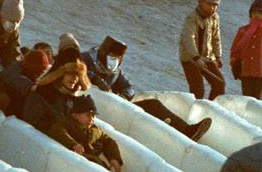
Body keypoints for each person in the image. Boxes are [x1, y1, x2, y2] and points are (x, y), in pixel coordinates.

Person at [84, 35, 212, 142]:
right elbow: (72, 67)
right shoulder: (86, 59)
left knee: (152, 104)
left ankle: (187, 130)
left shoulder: (115, 72)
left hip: (113, 107)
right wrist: (94, 79)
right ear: (104, 52)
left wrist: (124, 96)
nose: (115, 60)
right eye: (112, 56)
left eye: (118, 58)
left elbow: (128, 87)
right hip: (89, 106)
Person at [49, 94, 123, 172]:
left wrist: (114, 158)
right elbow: (58, 130)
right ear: (75, 115)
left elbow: (107, 140)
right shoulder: (68, 123)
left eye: (93, 115)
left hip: (96, 164)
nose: (91, 119)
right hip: (80, 165)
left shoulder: (94, 130)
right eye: (88, 115)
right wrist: (73, 144)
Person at [179, 0, 226, 100]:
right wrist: (195, 58)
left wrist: (218, 56)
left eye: (215, 5)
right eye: (209, 4)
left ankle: (211, 109)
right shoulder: (191, 18)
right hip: (190, 58)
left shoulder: (215, 18)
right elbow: (188, 39)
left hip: (207, 57)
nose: (212, 8)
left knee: (219, 84)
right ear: (201, 2)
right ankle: (195, 114)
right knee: (198, 89)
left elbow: (216, 38)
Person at [21, 59, 89, 133]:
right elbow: (31, 120)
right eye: (70, 74)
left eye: (77, 75)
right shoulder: (42, 92)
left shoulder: (70, 98)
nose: (75, 78)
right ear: (60, 75)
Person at [0, 48, 49, 117]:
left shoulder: (33, 76)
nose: (39, 75)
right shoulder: (13, 70)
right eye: (38, 73)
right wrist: (31, 87)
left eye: (41, 73)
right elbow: (14, 78)